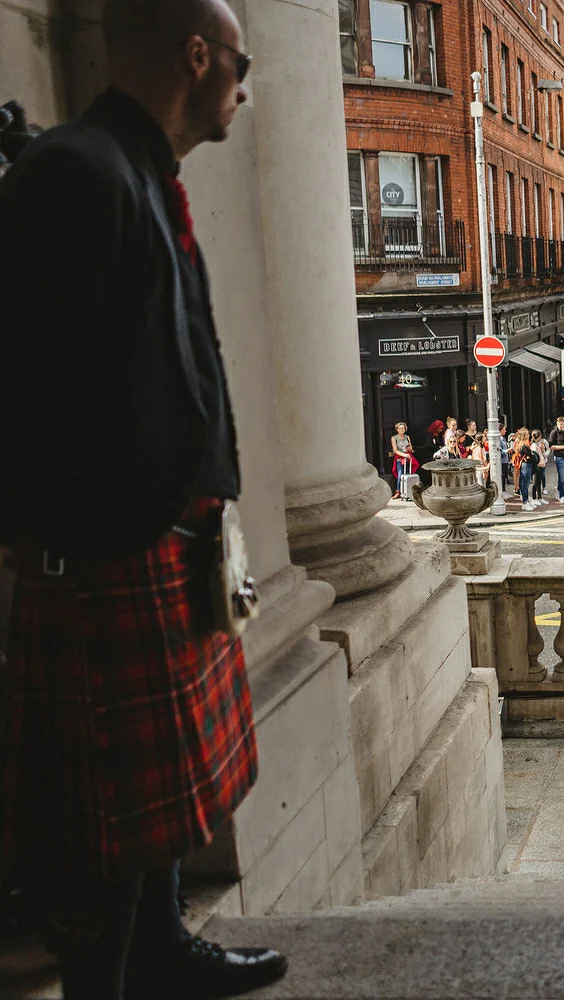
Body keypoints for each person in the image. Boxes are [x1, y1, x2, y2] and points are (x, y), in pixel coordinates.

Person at [0, 1, 289, 996]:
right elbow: (28, 385)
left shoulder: (139, 170)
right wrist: (94, 532)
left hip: (166, 540)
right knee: (110, 832)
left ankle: (164, 950)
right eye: (239, 64)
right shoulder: (76, 173)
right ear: (195, 56)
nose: (247, 89)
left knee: (155, 814)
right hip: (111, 553)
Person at [547, 415, 564, 505]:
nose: (560, 426)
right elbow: (551, 446)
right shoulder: (554, 432)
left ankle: (558, 488)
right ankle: (562, 496)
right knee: (561, 477)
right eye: (558, 424)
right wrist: (563, 447)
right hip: (559, 457)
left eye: (562, 424)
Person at [391, 421, 418, 499]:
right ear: (397, 429)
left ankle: (409, 490)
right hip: (400, 457)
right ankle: (398, 491)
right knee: (400, 474)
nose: (402, 429)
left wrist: (410, 449)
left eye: (403, 428)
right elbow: (395, 450)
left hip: (408, 457)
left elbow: (411, 448)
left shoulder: (407, 437)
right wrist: (404, 455)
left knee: (409, 473)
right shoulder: (394, 438)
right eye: (400, 428)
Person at [513, 429, 537, 510]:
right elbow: (531, 455)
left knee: (525, 484)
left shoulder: (524, 445)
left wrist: (531, 455)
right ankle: (525, 502)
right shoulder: (523, 446)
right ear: (523, 436)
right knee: (524, 484)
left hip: (526, 465)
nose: (529, 435)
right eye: (527, 434)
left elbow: (530, 455)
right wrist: (531, 454)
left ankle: (526, 500)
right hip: (525, 466)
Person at [531, 428, 550, 503]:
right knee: (535, 482)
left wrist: (544, 453)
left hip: (542, 463)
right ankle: (534, 498)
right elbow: (535, 456)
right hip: (537, 465)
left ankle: (539, 497)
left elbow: (548, 450)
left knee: (539, 481)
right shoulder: (534, 445)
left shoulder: (543, 442)